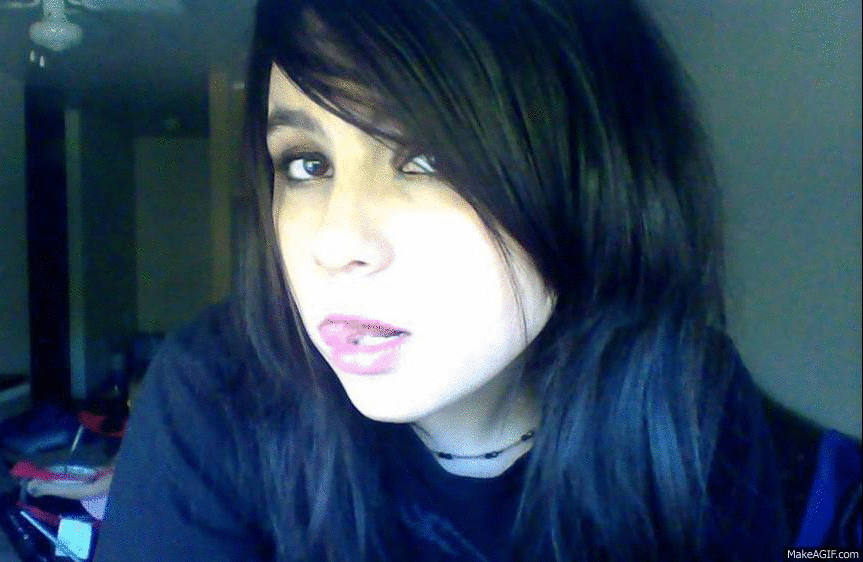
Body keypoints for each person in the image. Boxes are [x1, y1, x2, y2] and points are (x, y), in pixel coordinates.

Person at [94, 0, 862, 560]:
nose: (334, 242)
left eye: (428, 158)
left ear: (592, 182)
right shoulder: (217, 394)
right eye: (307, 163)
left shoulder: (693, 407)